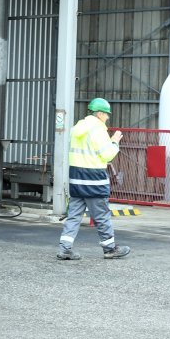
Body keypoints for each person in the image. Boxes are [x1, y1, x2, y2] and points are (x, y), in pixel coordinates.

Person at [56, 97, 130, 260]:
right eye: (106, 114)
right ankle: (110, 249)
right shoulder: (98, 129)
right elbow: (107, 154)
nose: (108, 117)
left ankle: (64, 248)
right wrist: (115, 141)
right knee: (102, 215)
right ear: (100, 114)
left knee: (74, 215)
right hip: (94, 180)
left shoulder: (77, 128)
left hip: (77, 179)